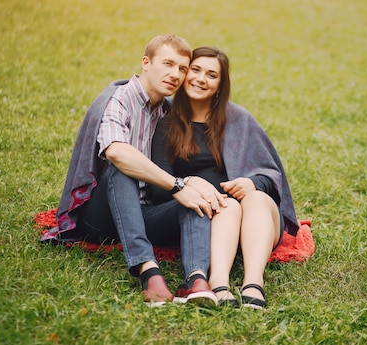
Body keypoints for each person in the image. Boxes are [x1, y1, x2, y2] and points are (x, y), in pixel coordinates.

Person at [41, 35, 228, 307]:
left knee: (194, 201)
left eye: (182, 69)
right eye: (167, 64)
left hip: (145, 212)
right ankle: (148, 271)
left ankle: (196, 280)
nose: (175, 74)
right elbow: (116, 151)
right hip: (101, 218)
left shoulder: (167, 111)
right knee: (122, 165)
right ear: (146, 62)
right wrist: (178, 186)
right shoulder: (118, 100)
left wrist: (190, 185)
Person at [150, 46, 300, 309]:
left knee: (256, 198)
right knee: (226, 205)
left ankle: (254, 283)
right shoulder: (166, 123)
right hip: (212, 218)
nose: (200, 79)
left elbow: (271, 175)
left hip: (256, 223)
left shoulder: (238, 119)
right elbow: (160, 186)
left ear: (220, 85)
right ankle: (219, 283)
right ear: (184, 75)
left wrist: (251, 182)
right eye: (195, 70)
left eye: (211, 75)